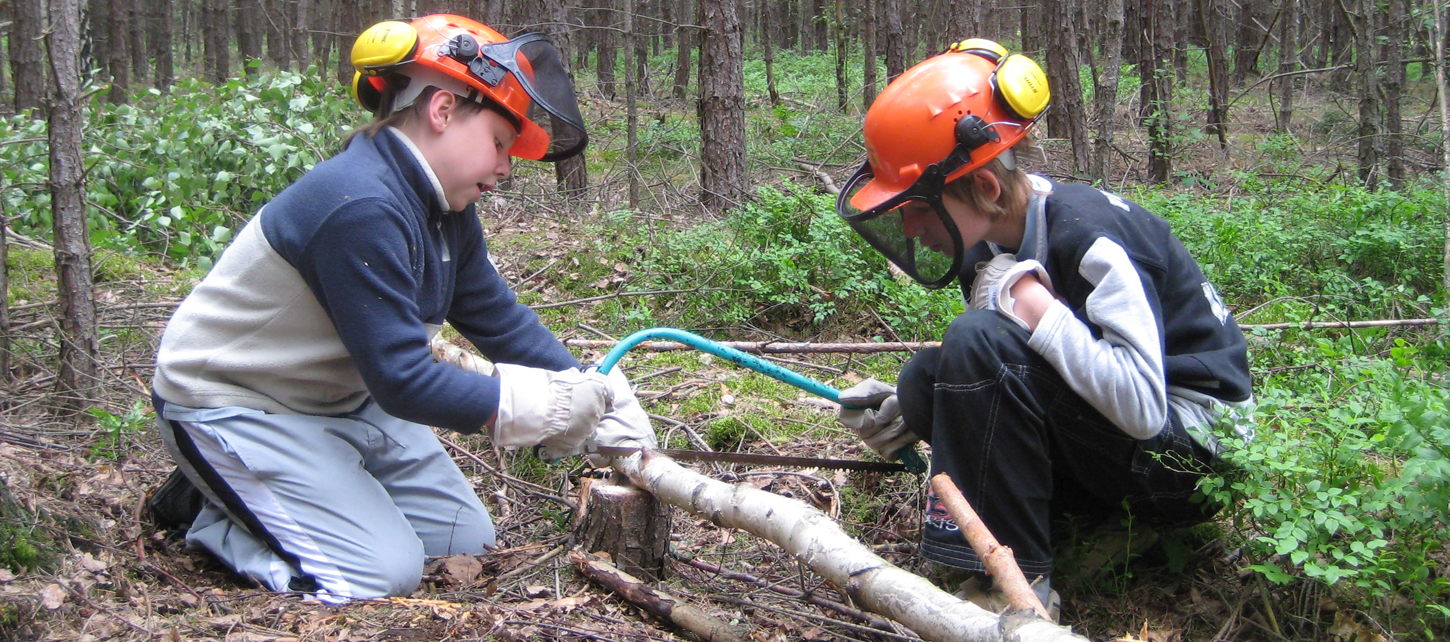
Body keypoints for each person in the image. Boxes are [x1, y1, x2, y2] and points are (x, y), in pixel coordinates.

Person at [149, 15, 655, 601]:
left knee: (463, 540)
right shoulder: (360, 203)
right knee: (376, 575)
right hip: (236, 402)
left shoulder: (446, 211)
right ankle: (214, 514)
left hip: (338, 398)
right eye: (498, 142)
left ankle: (272, 491)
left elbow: (499, 319)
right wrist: (527, 406)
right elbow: (402, 379)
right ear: (442, 110)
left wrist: (593, 390)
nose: (506, 168)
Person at [833, 39, 1253, 615]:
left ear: (983, 187)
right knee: (929, 376)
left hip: (1192, 461)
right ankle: (1074, 524)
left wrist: (1038, 310)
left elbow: (1142, 408)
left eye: (920, 206)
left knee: (975, 343)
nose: (908, 225)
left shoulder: (1089, 238)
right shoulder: (988, 240)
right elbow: (1010, 377)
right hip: (1125, 445)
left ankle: (1020, 588)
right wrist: (911, 407)